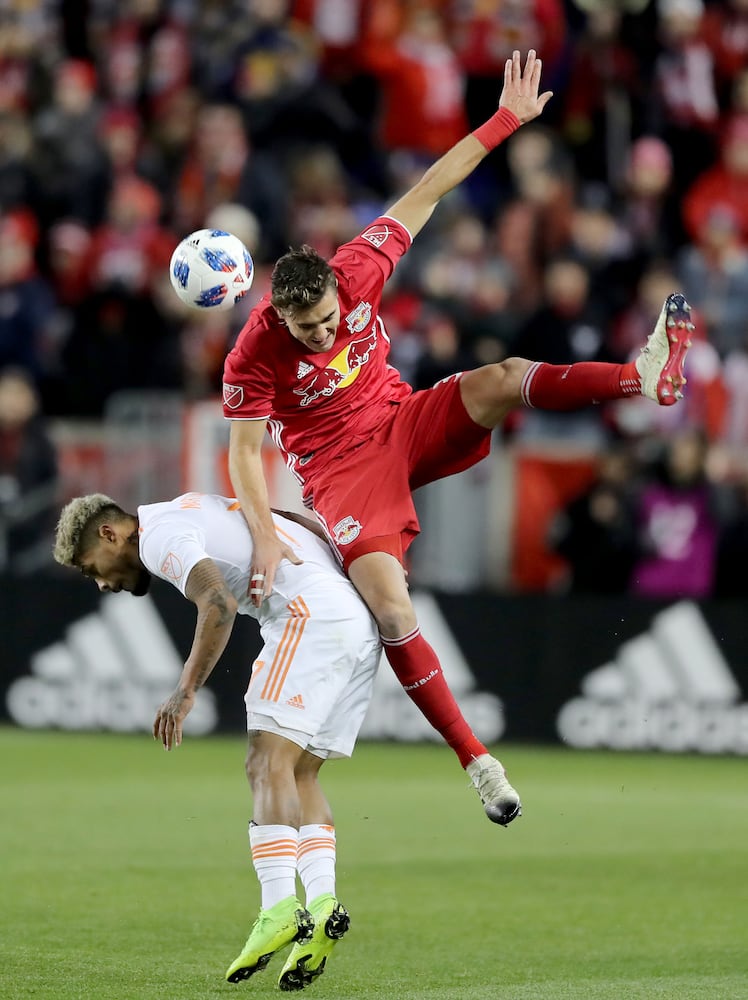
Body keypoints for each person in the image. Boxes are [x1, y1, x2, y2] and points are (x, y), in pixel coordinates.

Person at [221, 50, 693, 828]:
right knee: (391, 605)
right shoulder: (254, 350)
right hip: (342, 474)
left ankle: (640, 378)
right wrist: (263, 536)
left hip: (404, 422)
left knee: (504, 375)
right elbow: (244, 452)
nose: (321, 337)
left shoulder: (358, 268)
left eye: (330, 323)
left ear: (340, 291)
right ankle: (479, 762)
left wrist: (507, 119)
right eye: (307, 331)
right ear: (282, 318)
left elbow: (430, 187)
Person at [52, 491, 383, 990]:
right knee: (299, 771)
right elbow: (289, 516)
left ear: (110, 534)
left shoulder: (159, 536)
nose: (99, 583)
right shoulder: (190, 505)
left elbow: (219, 602)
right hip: (356, 621)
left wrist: (184, 692)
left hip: (308, 616)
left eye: (88, 567)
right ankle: (322, 905)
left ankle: (277, 910)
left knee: (263, 763)